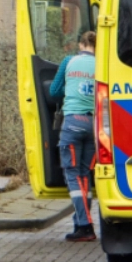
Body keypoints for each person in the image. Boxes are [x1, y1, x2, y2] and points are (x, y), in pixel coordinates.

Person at [49, 30, 98, 242]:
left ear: (81, 45)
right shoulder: (102, 63)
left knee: (72, 174)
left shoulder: (69, 61)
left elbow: (53, 91)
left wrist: (71, 91)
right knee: (85, 174)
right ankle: (81, 224)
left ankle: (85, 225)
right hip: (94, 124)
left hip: (73, 123)